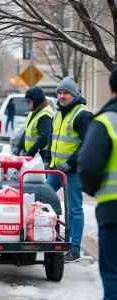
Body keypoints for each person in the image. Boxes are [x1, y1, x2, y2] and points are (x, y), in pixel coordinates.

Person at [78, 66, 117, 299]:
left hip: (114, 211)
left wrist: (95, 190)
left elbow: (89, 167)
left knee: (113, 276)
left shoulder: (107, 121)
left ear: (111, 89)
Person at [44, 76, 93, 262]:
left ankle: (75, 249)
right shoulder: (58, 112)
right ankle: (46, 237)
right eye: (59, 93)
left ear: (73, 94)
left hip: (73, 171)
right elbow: (52, 137)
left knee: (74, 209)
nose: (62, 96)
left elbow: (87, 143)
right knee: (43, 200)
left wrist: (71, 162)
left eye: (65, 93)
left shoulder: (82, 114)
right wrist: (48, 160)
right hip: (57, 170)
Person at [13, 86, 54, 160]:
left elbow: (44, 138)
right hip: (32, 156)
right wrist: (19, 146)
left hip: (40, 157)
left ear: (36, 100)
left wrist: (29, 153)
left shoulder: (45, 115)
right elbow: (26, 132)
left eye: (28, 101)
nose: (27, 103)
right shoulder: (33, 111)